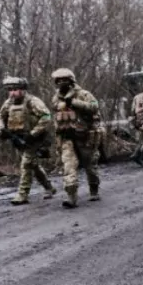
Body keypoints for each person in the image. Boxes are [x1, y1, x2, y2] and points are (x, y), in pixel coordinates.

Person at [0, 76, 56, 204]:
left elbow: (46, 117)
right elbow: (0, 117)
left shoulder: (33, 101)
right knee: (33, 165)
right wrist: (1, 130)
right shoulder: (8, 103)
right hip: (18, 139)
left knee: (26, 164)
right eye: (10, 90)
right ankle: (49, 187)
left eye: (15, 89)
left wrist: (33, 133)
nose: (12, 92)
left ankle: (22, 195)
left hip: (34, 139)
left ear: (22, 90)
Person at [50, 68, 101, 208]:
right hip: (67, 138)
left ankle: (94, 190)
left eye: (64, 80)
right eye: (58, 81)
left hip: (84, 136)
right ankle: (71, 196)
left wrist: (74, 103)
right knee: (69, 167)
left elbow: (95, 107)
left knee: (90, 166)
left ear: (71, 81)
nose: (61, 83)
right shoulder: (56, 98)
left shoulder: (83, 94)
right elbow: (55, 116)